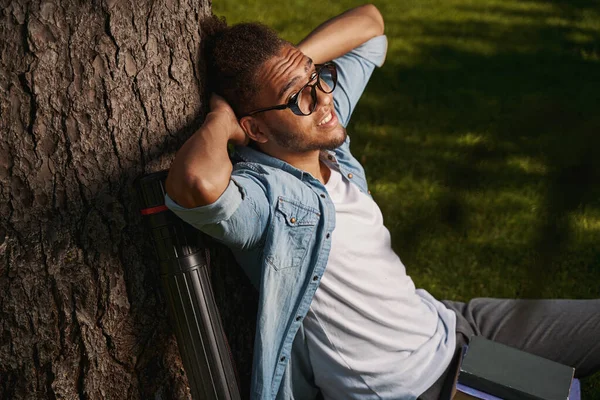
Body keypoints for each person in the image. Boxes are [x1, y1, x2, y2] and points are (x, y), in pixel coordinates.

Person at [164, 4, 600, 400]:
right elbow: (198, 183)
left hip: (452, 326)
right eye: (300, 97)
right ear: (255, 130)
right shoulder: (267, 199)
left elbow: (372, 28)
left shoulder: (322, 134)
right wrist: (221, 119)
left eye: (318, 81)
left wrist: (296, 70)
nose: (324, 100)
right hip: (416, 382)